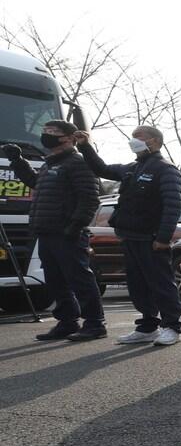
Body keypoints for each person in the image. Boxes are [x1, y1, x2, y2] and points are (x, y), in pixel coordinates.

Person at [76, 126, 181, 344]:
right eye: (133, 137)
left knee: (161, 284)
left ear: (155, 141)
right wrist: (85, 147)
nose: (134, 141)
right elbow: (102, 169)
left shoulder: (165, 169)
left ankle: (172, 327)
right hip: (129, 237)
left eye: (139, 137)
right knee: (137, 285)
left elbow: (173, 206)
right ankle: (147, 327)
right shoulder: (132, 168)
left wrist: (163, 238)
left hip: (151, 239)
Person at [2, 121, 105, 341]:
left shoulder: (79, 163)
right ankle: (67, 322)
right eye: (45, 131)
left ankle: (95, 324)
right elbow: (35, 182)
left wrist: (75, 226)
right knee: (56, 281)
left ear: (69, 138)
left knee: (80, 279)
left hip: (68, 232)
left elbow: (90, 198)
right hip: (47, 231)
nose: (46, 135)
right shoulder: (50, 164)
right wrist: (17, 160)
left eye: (53, 132)